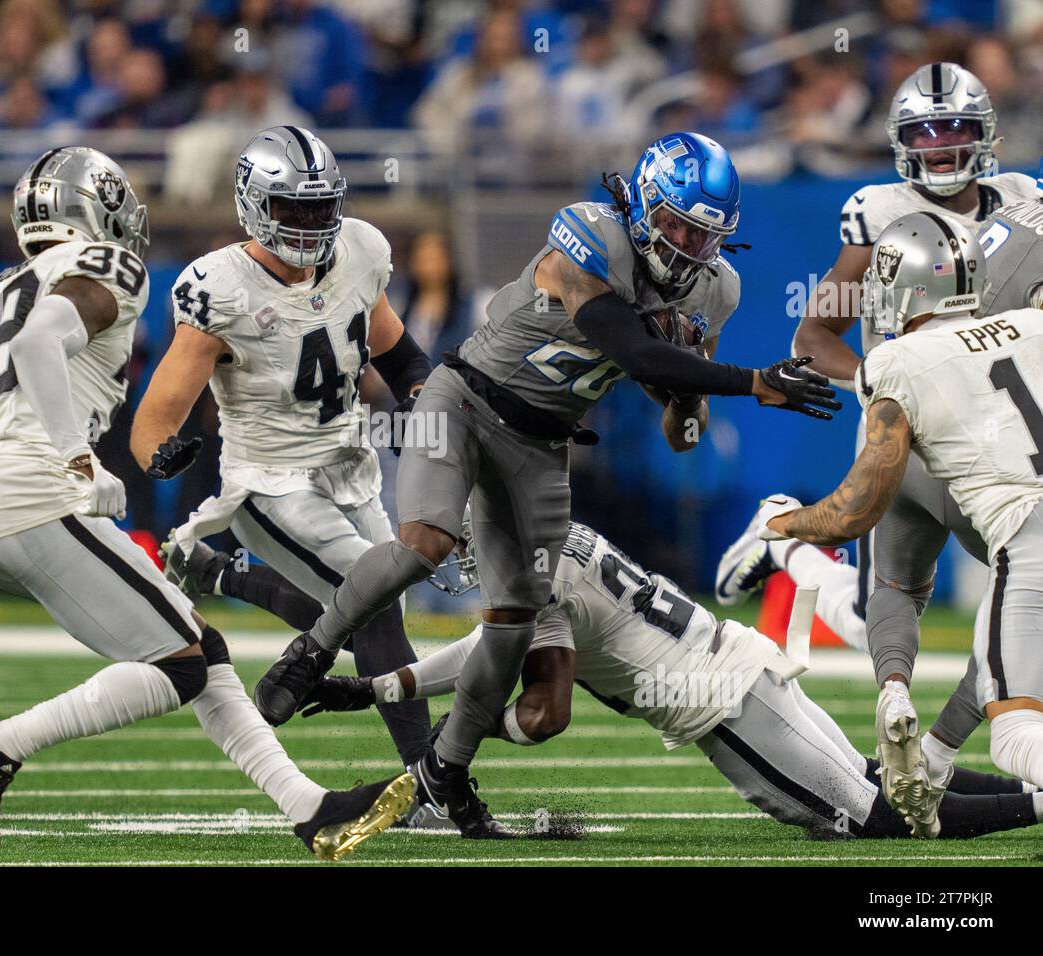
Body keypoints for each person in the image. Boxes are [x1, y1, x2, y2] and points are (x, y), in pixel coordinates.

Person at [253, 131, 840, 838]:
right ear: (645, 206)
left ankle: (447, 779)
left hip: (540, 445)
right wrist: (753, 381)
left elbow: (679, 422)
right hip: (465, 401)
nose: (688, 245)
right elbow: (624, 342)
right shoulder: (590, 233)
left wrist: (688, 398)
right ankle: (310, 650)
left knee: (512, 624)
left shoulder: (718, 290)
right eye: (678, 224)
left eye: (705, 234)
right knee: (424, 543)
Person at [0, 146, 416, 860]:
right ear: (93, 212)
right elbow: (35, 346)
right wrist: (74, 452)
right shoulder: (105, 266)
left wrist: (12, 417)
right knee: (179, 662)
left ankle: (310, 810)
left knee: (201, 651)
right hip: (41, 497)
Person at [303, 521, 1042, 841]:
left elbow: (545, 713)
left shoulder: (536, 577)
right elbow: (481, 646)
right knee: (890, 783)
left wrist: (470, 728)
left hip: (722, 704)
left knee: (885, 818)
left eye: (466, 540)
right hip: (741, 664)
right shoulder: (557, 533)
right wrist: (378, 690)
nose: (463, 555)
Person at [736, 63, 1038, 823]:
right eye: (925, 133)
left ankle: (930, 751)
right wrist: (883, 381)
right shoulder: (876, 213)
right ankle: (935, 746)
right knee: (1005, 593)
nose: (941, 148)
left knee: (1000, 597)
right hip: (916, 423)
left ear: (986, 135)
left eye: (956, 130)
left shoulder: (1025, 202)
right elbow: (815, 331)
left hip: (990, 424)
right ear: (901, 142)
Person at [131, 126, 445, 825]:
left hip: (347, 465)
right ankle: (432, 785)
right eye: (293, 209)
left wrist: (425, 403)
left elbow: (399, 356)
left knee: (350, 612)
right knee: (375, 597)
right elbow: (155, 418)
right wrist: (165, 452)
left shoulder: (360, 250)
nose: (310, 224)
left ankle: (224, 576)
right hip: (269, 480)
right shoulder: (221, 288)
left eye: (320, 207)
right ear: (253, 205)